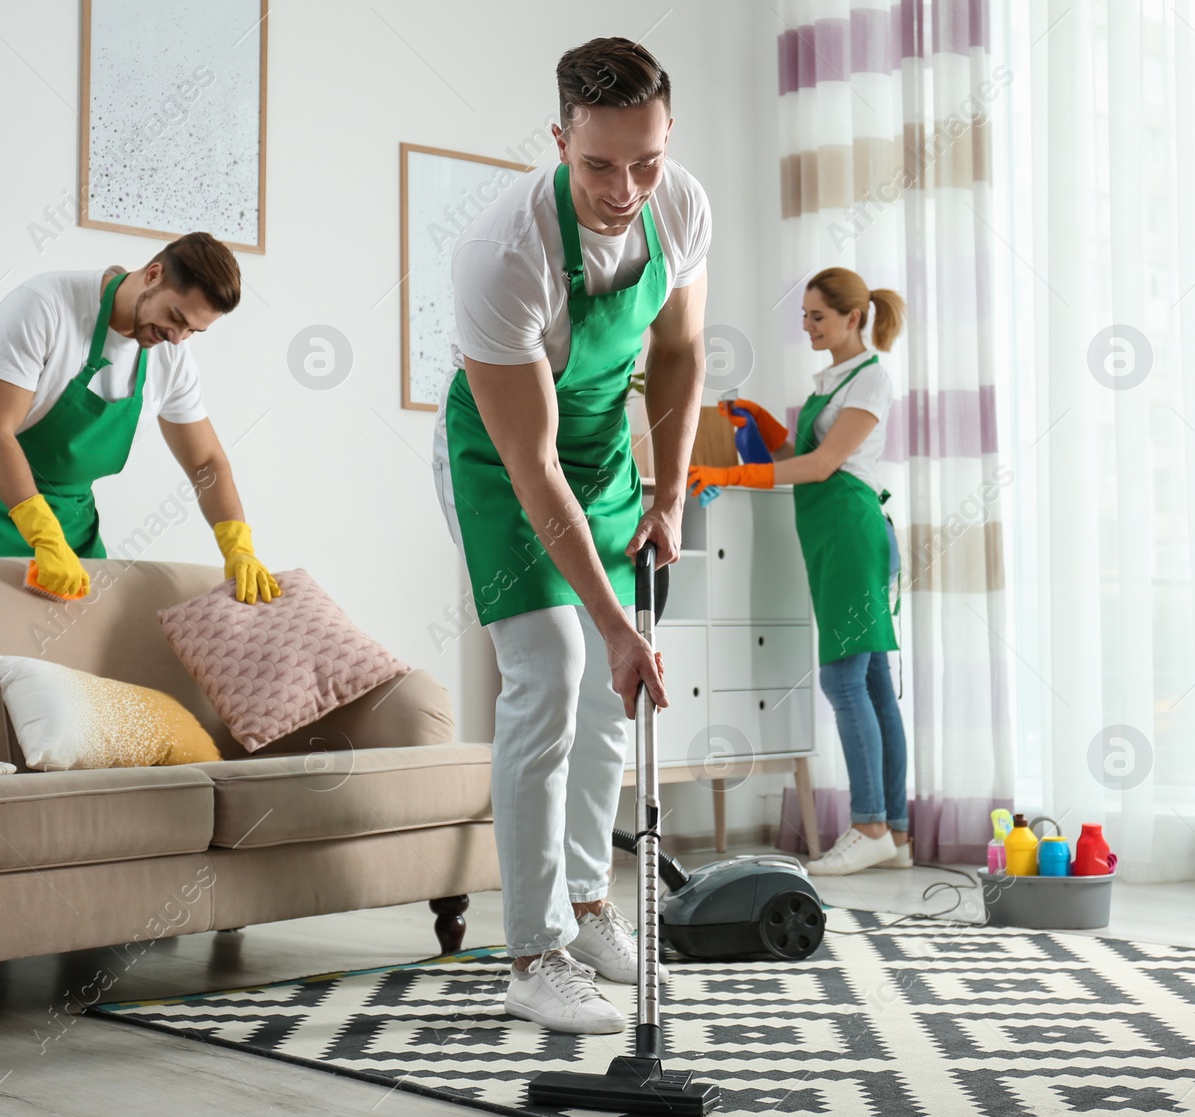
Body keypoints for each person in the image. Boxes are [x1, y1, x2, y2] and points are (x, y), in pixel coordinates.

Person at [431, 37, 710, 1033]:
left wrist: (669, 495)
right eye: (598, 164)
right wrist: (612, 621)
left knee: (608, 696)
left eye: (647, 160)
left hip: (601, 456)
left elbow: (677, 356)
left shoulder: (678, 205)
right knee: (552, 668)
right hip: (507, 466)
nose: (626, 187)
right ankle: (533, 953)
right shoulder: (502, 253)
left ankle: (589, 905)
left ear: (666, 139)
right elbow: (530, 461)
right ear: (558, 141)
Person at [688, 266, 909, 876]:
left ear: (852, 318)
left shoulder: (869, 381)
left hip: (850, 530)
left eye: (817, 316)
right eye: (804, 316)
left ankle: (867, 826)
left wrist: (731, 474)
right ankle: (893, 830)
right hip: (832, 533)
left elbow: (823, 467)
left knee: (844, 681)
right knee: (871, 684)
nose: (806, 326)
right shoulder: (834, 381)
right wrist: (766, 426)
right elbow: (799, 455)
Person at [0, 232, 280, 606]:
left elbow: (206, 461)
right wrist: (44, 536)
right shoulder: (44, 306)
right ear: (153, 274)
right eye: (176, 317)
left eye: (194, 331)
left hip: (73, 522)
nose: (178, 339)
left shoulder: (172, 356)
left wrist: (237, 546)